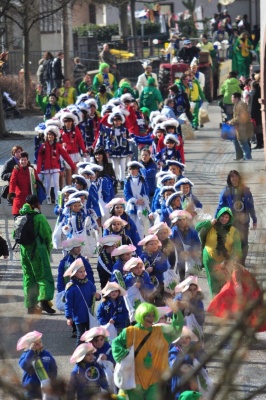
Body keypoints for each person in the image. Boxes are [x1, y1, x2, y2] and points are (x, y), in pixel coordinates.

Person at [112, 302, 184, 400]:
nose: (151, 318)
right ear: (141, 315)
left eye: (153, 315)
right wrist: (122, 353)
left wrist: (176, 312)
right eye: (148, 315)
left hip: (155, 379)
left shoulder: (161, 331)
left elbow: (176, 330)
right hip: (135, 379)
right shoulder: (130, 332)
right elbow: (116, 343)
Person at [17, 195, 55, 314]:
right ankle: (44, 302)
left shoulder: (20, 217)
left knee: (28, 278)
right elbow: (47, 234)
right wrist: (49, 247)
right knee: (43, 276)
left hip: (24, 252)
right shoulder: (39, 218)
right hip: (38, 251)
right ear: (35, 204)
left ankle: (31, 305)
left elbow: (15, 235)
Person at [196, 207, 242, 297]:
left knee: (226, 285)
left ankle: (224, 305)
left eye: (226, 217)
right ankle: (215, 305)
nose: (224, 219)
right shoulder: (211, 225)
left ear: (230, 218)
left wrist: (229, 261)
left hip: (225, 262)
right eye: (222, 216)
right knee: (213, 285)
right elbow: (197, 228)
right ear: (218, 216)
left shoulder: (234, 231)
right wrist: (208, 222)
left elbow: (238, 250)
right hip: (210, 259)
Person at [215, 170, 257, 265]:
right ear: (229, 179)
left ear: (239, 177)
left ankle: (242, 262)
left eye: (236, 176)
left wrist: (254, 219)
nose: (234, 178)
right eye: (232, 177)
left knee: (244, 242)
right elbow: (220, 206)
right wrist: (215, 218)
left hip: (243, 222)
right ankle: (232, 262)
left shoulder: (246, 190)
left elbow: (251, 206)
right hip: (231, 221)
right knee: (232, 242)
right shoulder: (226, 191)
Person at [64, 259, 101, 346]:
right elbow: (68, 304)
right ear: (74, 273)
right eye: (80, 272)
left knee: (91, 335)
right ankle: (79, 354)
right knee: (81, 336)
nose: (83, 273)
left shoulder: (88, 283)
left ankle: (90, 352)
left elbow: (94, 294)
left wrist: (98, 296)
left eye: (84, 271)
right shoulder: (71, 287)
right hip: (78, 317)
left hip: (89, 315)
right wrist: (68, 317)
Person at [37, 125, 76, 204]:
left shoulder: (58, 146)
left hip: (56, 167)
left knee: (56, 184)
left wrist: (72, 166)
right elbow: (40, 158)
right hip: (47, 168)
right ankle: (48, 197)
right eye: (48, 135)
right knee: (48, 184)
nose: (49, 136)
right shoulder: (43, 146)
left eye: (51, 135)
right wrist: (38, 169)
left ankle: (58, 199)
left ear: (55, 136)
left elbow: (66, 156)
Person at [17, 331, 58, 400]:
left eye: (40, 342)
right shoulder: (26, 355)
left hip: (44, 387)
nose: (39, 345)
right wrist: (31, 351)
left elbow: (54, 368)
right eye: (36, 344)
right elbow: (24, 365)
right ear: (30, 346)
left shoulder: (46, 354)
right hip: (30, 388)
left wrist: (51, 380)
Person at [8, 152, 39, 217]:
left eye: (25, 160)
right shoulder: (16, 170)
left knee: (31, 220)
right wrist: (11, 193)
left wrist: (36, 185)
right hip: (19, 197)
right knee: (18, 218)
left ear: (27, 161)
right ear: (19, 160)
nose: (23, 161)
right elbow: (12, 182)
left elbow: (38, 180)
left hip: (30, 197)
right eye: (22, 160)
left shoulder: (32, 170)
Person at [228, 92, 254, 161]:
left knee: (243, 142)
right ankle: (240, 156)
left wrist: (232, 121)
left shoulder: (240, 105)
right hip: (240, 126)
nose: (231, 99)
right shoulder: (238, 105)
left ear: (236, 98)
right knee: (238, 141)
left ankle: (248, 157)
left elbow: (240, 117)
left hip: (242, 127)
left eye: (232, 97)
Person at [249, 76, 264, 149]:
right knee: (259, 129)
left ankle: (259, 143)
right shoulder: (259, 91)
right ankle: (260, 143)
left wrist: (251, 114)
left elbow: (252, 105)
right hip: (258, 113)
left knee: (257, 129)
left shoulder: (254, 93)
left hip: (255, 114)